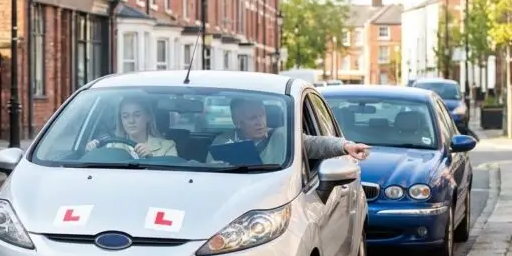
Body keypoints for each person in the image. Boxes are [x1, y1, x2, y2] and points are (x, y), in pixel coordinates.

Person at [207, 97, 370, 164]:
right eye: (252, 118)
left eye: (261, 115)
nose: (260, 122)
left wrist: (345, 146)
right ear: (238, 122)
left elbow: (315, 144)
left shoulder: (282, 137)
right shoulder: (222, 142)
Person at [85, 95, 178, 158]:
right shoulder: (111, 147)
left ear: (148, 116)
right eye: (125, 116)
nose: (131, 121)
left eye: (137, 115)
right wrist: (92, 152)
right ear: (121, 119)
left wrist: (151, 158)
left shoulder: (167, 146)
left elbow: (172, 179)